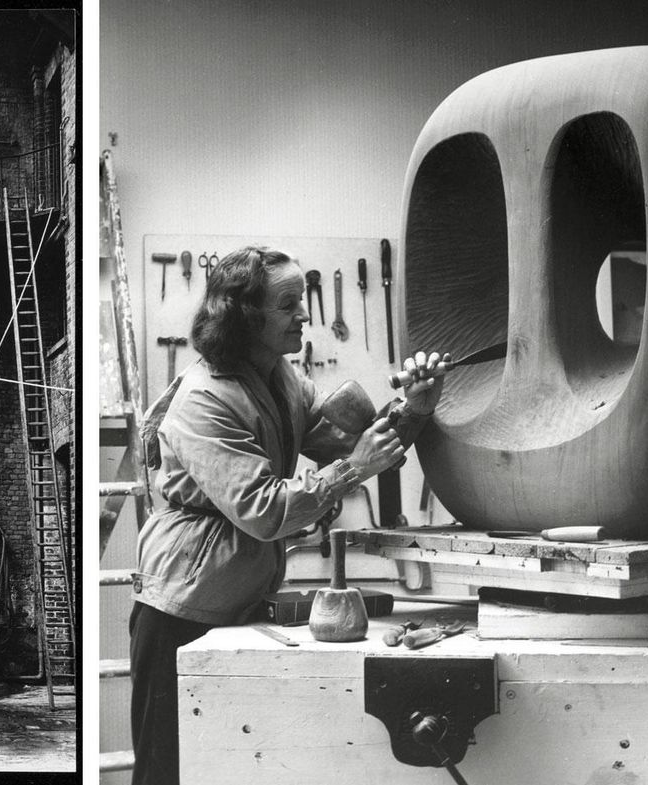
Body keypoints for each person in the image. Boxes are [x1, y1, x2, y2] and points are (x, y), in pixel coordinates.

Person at [129, 246, 443, 785]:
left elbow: (356, 443)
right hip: (181, 611)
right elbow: (264, 511)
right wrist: (351, 469)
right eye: (289, 304)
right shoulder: (206, 398)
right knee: (167, 771)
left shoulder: (281, 379)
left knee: (231, 767)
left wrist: (414, 405)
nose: (305, 315)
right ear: (245, 315)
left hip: (239, 601)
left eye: (303, 300)